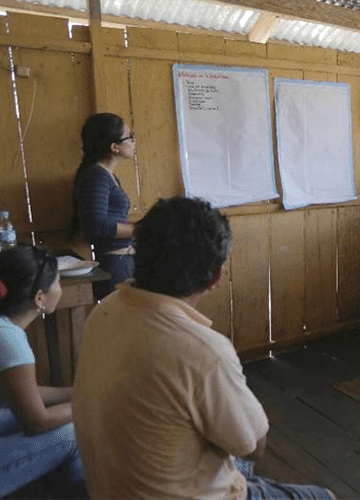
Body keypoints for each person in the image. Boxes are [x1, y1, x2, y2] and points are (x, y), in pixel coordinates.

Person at [72, 197, 334, 500]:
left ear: (138, 253)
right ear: (216, 277)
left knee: (231, 460)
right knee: (323, 495)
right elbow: (254, 446)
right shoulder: (203, 352)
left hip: (107, 488)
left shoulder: (105, 312)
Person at [0, 245, 86, 499]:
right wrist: (90, 401)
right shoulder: (10, 340)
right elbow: (36, 421)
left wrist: (76, 392)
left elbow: (23, 395)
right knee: (73, 433)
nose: (60, 287)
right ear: (39, 298)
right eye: (59, 281)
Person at [71, 112, 136, 300]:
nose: (133, 142)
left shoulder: (107, 175)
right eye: (129, 137)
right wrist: (141, 230)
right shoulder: (97, 176)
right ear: (114, 147)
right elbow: (96, 225)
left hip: (123, 260)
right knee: (122, 325)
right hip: (116, 264)